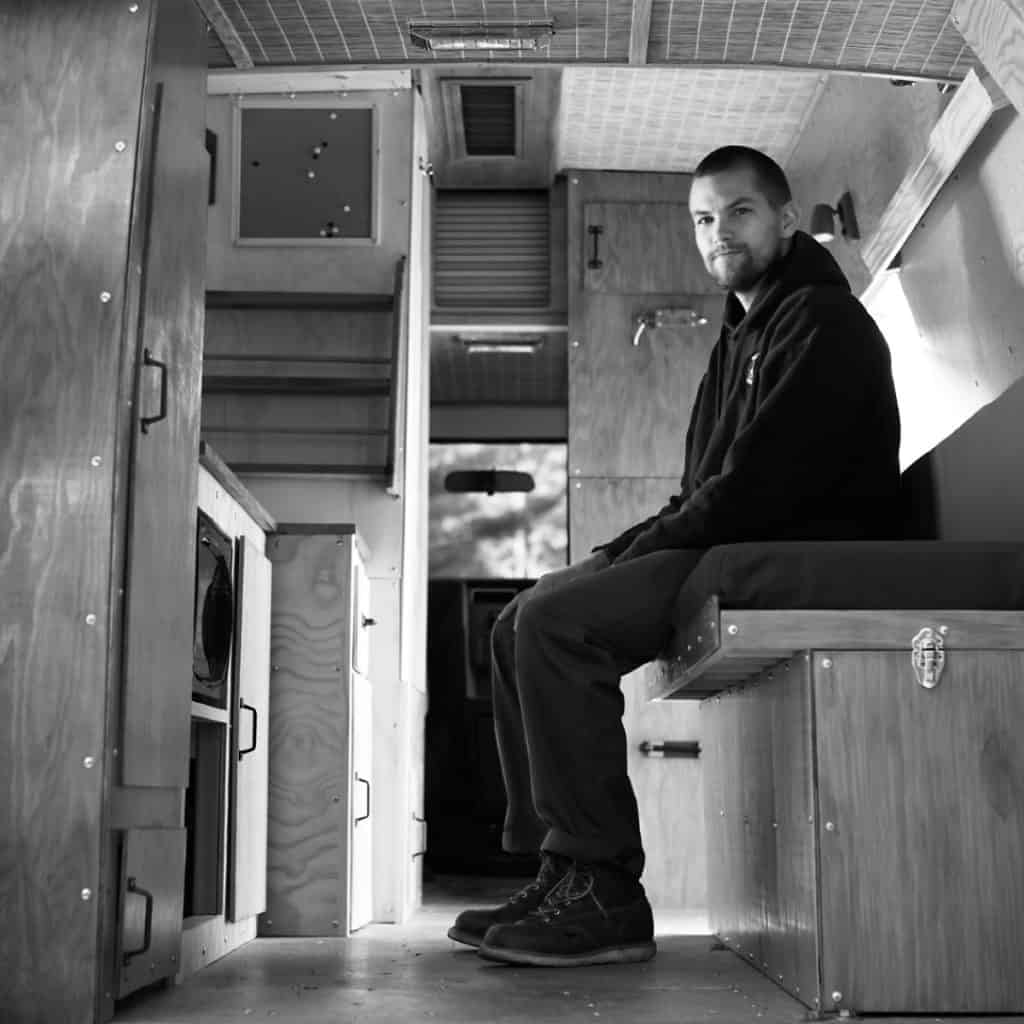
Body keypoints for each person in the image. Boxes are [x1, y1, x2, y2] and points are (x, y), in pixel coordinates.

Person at [448, 145, 902, 967]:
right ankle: (561, 864)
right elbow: (698, 489)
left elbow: (756, 491)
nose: (717, 232)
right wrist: (610, 554)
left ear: (787, 219)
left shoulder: (823, 324)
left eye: (739, 211)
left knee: (555, 622)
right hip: (733, 538)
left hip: (784, 549)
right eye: (702, 218)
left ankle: (606, 887)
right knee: (523, 610)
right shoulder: (739, 340)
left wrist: (635, 556)